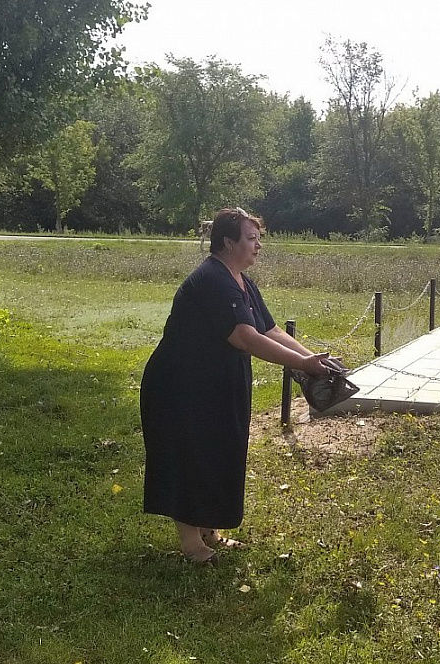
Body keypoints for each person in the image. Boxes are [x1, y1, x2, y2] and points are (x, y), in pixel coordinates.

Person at [140, 207, 332, 564]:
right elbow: (245, 337)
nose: (258, 246)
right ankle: (192, 545)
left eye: (259, 238)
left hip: (212, 387)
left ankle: (210, 529)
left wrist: (314, 360)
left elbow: (269, 330)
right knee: (191, 457)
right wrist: (302, 365)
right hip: (180, 387)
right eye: (251, 238)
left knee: (218, 452)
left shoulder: (241, 280)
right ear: (228, 242)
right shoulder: (213, 279)